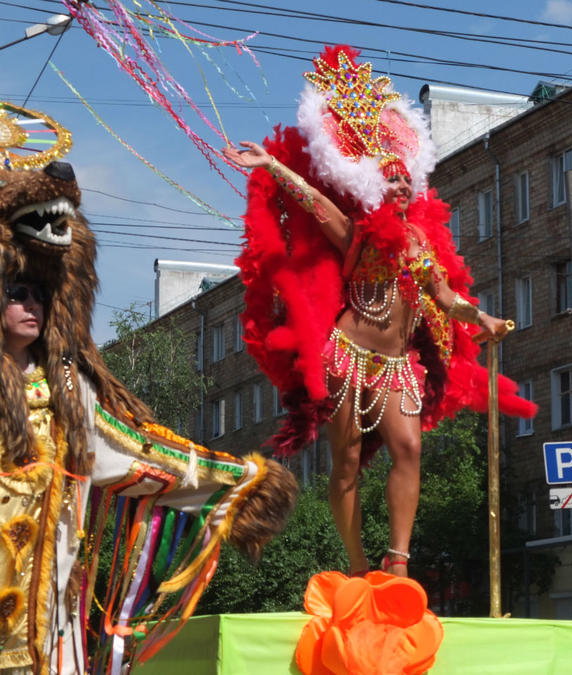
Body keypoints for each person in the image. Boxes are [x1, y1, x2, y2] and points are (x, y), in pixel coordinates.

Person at [223, 45, 536, 577]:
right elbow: (314, 205)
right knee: (345, 464)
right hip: (345, 354)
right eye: (388, 178)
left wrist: (477, 318)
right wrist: (273, 163)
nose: (399, 185)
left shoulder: (418, 240)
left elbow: (444, 294)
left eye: (404, 179)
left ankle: (398, 562)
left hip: (395, 366)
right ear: (372, 184)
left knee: (408, 447)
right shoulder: (357, 234)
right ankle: (355, 562)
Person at [0, 159, 297, 673]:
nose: (31, 305)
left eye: (40, 295)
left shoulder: (68, 386)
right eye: (16, 293)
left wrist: (233, 480)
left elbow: (131, 452)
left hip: (46, 622)